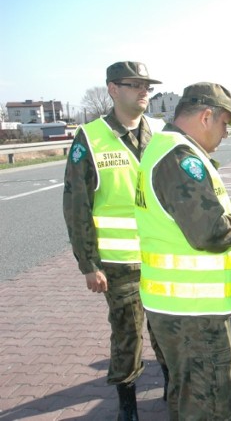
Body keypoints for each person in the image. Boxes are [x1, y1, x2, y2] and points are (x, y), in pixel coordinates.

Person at [134, 82, 231, 420]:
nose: (225, 133)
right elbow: (209, 230)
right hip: (192, 313)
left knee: (188, 398)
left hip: (176, 309)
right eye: (225, 124)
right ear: (206, 116)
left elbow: (187, 212)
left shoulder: (164, 148)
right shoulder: (181, 158)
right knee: (210, 403)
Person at [62, 61, 168, 420]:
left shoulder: (160, 130)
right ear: (112, 89)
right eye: (134, 84)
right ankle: (128, 405)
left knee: (167, 325)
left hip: (162, 256)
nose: (144, 91)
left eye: (147, 86)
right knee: (128, 336)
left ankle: (172, 383)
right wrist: (88, 264)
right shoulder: (90, 138)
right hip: (119, 263)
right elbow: (76, 206)